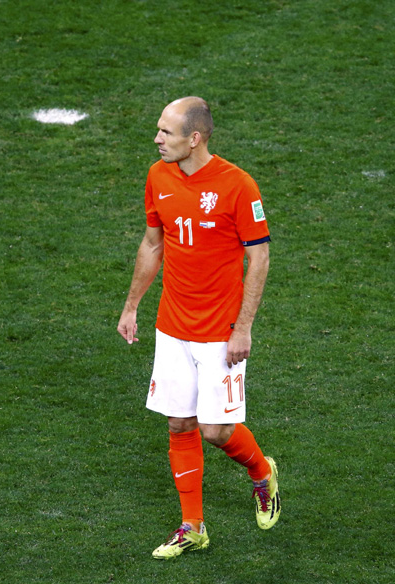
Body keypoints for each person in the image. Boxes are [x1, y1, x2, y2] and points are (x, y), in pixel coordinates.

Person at [117, 96, 280, 560]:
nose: (156, 139)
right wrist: (132, 306)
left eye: (165, 132)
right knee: (179, 422)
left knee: (216, 431)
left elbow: (259, 256)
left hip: (220, 331)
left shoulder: (237, 185)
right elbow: (153, 243)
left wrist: (243, 328)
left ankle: (262, 473)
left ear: (194, 138)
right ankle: (193, 526)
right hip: (172, 325)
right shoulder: (158, 176)